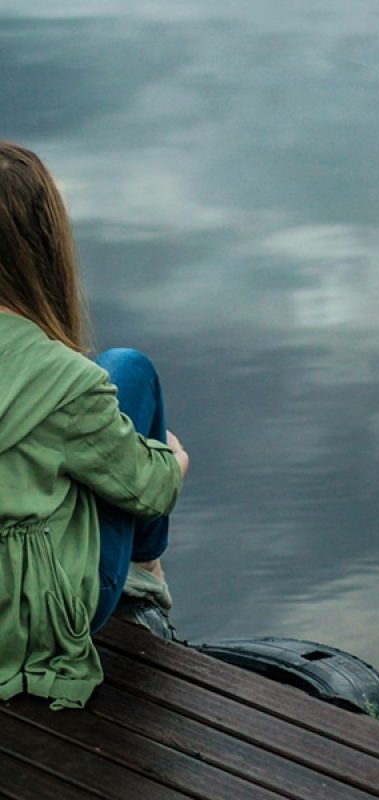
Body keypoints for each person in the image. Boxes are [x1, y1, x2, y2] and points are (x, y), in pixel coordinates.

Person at [0, 142, 189, 710]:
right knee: (128, 369)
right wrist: (173, 461)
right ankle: (145, 574)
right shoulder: (67, 381)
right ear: (44, 243)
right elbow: (151, 489)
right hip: (29, 625)